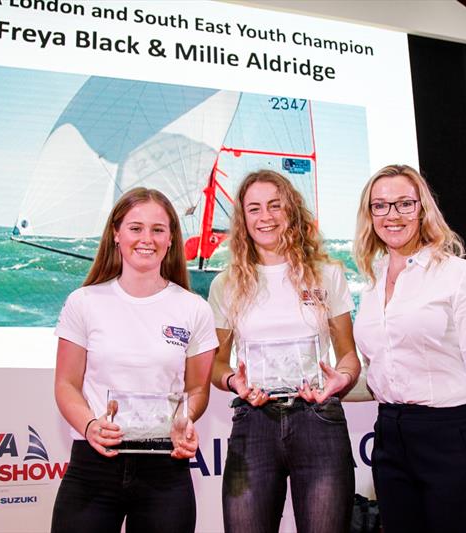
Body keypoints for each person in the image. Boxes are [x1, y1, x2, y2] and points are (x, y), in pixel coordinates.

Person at [351, 164, 466, 532]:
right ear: (370, 214)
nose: (392, 215)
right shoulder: (372, 284)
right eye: (380, 206)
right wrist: (333, 385)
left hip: (448, 436)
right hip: (390, 437)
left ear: (423, 209)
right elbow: (384, 372)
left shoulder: (462, 275)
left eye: (404, 204)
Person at [50, 187, 218, 533]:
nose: (147, 239)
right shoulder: (83, 302)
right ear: (116, 234)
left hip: (165, 470)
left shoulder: (195, 309)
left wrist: (185, 418)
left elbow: (198, 388)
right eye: (135, 228)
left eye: (158, 229)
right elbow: (66, 385)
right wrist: (90, 426)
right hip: (94, 465)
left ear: (171, 238)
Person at [208, 169, 361, 533]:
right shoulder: (226, 284)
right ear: (243, 219)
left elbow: (349, 356)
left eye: (275, 206)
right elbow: (215, 365)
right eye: (255, 208)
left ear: (291, 210)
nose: (266, 217)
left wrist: (342, 378)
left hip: (319, 418)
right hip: (253, 420)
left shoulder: (327, 274)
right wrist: (234, 381)